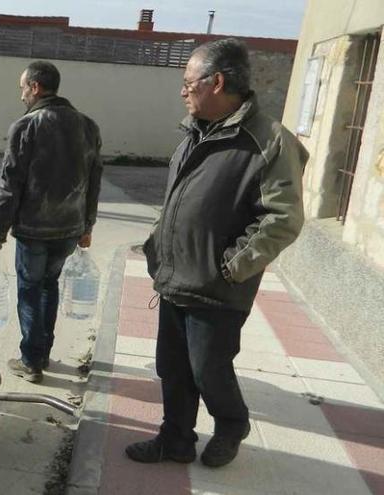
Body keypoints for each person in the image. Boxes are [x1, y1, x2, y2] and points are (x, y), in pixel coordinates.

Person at [127, 38, 308, 468]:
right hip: (175, 275)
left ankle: (231, 425)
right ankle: (175, 440)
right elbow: (178, 201)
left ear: (217, 81)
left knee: (209, 369)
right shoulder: (193, 133)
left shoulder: (269, 140)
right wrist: (158, 245)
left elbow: (283, 218)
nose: (183, 90)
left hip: (218, 285)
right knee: (172, 368)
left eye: (189, 82)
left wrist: (233, 265)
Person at [0, 60, 103, 384]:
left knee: (29, 289)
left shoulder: (26, 126)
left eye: (23, 88)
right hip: (69, 228)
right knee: (48, 286)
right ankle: (43, 352)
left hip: (34, 229)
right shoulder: (88, 126)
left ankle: (31, 360)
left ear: (36, 87)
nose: (22, 94)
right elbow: (95, 182)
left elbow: (9, 184)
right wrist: (87, 226)